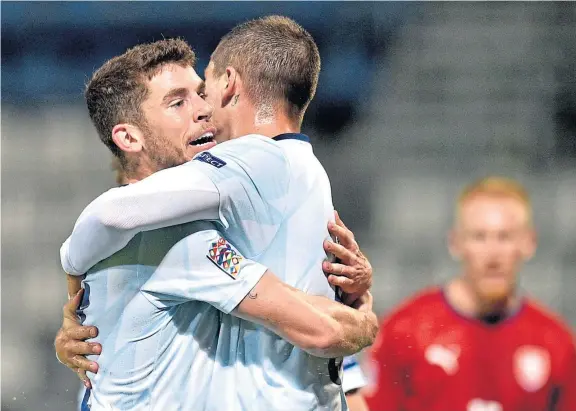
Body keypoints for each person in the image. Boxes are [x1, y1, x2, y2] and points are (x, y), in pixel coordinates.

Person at [57, 17, 375, 411]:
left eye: (200, 93)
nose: (204, 110)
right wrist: (363, 318)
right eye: (179, 102)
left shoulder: (215, 221)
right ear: (129, 137)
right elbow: (320, 328)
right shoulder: (172, 238)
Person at [363, 177, 576, 411]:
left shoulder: (556, 342)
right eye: (479, 237)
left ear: (529, 242)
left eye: (505, 237)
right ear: (455, 243)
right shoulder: (404, 331)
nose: (493, 254)